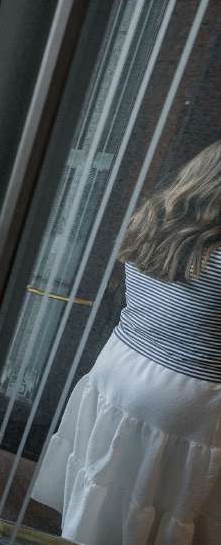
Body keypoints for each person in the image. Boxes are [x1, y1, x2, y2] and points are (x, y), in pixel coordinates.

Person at [30, 141, 221, 544]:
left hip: (120, 365)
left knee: (105, 489)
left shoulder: (154, 220)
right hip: (188, 394)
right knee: (161, 510)